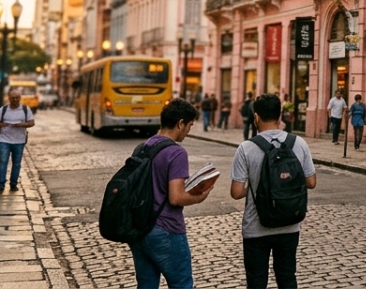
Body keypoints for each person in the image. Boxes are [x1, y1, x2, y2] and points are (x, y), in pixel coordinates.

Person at [231, 93, 317, 289]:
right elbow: (311, 182)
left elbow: (236, 192)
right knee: (287, 278)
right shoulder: (298, 143)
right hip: (289, 224)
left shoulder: (246, 148)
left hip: (256, 227)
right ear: (280, 117)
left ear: (256, 117)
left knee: (256, 281)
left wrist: (257, 185)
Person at [128, 98, 213, 289]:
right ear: (180, 123)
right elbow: (176, 197)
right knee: (181, 284)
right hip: (166, 229)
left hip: (140, 229)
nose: (189, 131)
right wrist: (200, 196)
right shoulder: (176, 152)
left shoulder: (142, 147)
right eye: (189, 125)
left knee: (146, 285)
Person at [0, 89, 34, 193]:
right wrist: (1, 124)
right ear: (9, 98)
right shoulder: (4, 109)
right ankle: (1, 184)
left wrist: (21, 125)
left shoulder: (25, 109)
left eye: (17, 98)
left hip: (19, 141)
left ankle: (13, 184)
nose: (15, 100)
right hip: (4, 140)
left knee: (16, 163)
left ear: (20, 98)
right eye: (12, 98)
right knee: (3, 162)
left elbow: (31, 122)